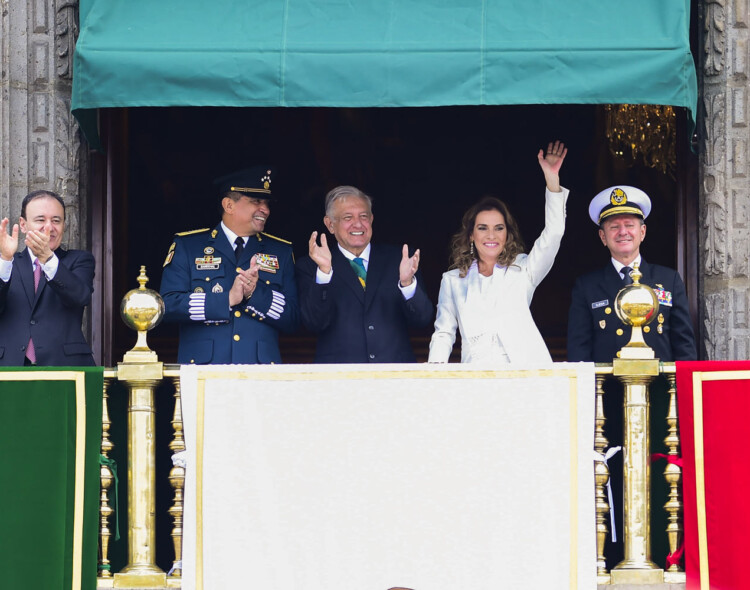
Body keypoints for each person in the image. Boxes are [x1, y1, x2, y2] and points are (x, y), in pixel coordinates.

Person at [428, 141, 569, 364]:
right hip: (476, 380)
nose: (491, 235)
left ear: (507, 234)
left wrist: (552, 180)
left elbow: (553, 234)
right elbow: (444, 332)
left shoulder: (523, 269)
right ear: (471, 235)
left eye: (499, 228)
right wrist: (434, 371)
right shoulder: (453, 280)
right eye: (482, 228)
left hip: (524, 377)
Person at [160, 166, 299, 364]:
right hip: (203, 373)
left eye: (267, 203)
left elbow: (293, 319)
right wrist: (226, 299)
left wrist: (254, 294)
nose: (265, 210)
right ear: (228, 205)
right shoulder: (188, 246)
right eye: (256, 201)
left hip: (260, 374)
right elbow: (168, 306)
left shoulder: (281, 251)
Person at [296, 185, 434, 363]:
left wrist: (407, 284)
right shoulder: (309, 266)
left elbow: (422, 320)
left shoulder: (400, 259)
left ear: (372, 219)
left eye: (364, 216)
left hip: (394, 374)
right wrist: (324, 273)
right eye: (348, 217)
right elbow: (314, 323)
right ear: (330, 224)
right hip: (339, 376)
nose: (358, 224)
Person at [567, 185, 696, 361]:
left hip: (660, 386)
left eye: (629, 225)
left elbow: (684, 346)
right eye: (614, 227)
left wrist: (683, 387)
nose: (623, 232)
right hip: (609, 387)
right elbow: (579, 351)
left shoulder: (669, 280)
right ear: (603, 237)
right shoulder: (587, 287)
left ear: (642, 232)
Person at [0, 190, 95, 366]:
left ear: (64, 225)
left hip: (65, 367)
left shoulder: (79, 260)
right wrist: (5, 260)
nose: (49, 227)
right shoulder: (7, 264)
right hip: (9, 366)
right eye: (40, 220)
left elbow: (80, 296)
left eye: (56, 220)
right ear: (23, 225)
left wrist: (48, 258)